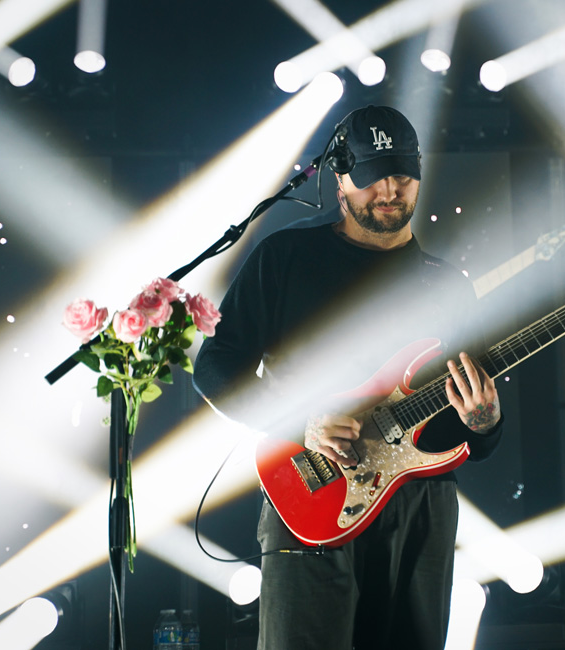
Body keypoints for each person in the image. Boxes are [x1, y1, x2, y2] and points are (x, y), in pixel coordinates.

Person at [193, 105, 504, 650]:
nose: (389, 189)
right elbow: (216, 366)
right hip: (314, 483)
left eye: (403, 175)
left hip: (421, 502)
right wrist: (301, 424)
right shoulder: (285, 257)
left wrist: (484, 423)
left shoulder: (447, 285)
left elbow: (474, 425)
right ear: (339, 179)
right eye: (372, 177)